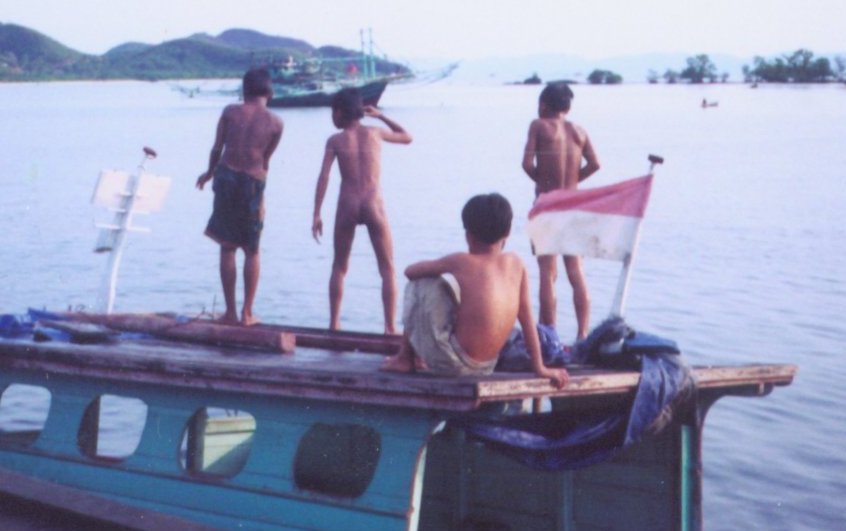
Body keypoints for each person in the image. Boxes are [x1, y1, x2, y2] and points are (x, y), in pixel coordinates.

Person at [381, 193, 568, 388]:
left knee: (422, 283)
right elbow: (527, 319)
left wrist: (444, 270)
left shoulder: (461, 262)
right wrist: (540, 368)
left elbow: (410, 272)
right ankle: (417, 355)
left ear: (468, 234)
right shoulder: (516, 264)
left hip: (453, 366)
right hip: (487, 366)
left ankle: (404, 357)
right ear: (508, 232)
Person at [312, 88, 412, 334]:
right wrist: (380, 116)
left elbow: (323, 176)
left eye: (332, 112)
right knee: (387, 268)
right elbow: (407, 136)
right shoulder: (375, 133)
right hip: (372, 203)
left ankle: (334, 323)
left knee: (339, 266)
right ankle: (389, 327)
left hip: (347, 204)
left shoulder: (335, 141)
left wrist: (316, 213)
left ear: (339, 112)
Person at [196, 68, 283, 326]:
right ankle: (247, 313)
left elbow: (217, 148)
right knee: (252, 250)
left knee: (227, 245)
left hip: (227, 176)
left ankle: (231, 312)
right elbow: (265, 161)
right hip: (252, 182)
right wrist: (261, 198)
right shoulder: (277, 123)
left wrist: (209, 173)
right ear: (270, 92)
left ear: (243, 91)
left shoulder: (230, 112)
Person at [522, 82, 600, 340]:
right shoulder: (580, 131)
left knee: (547, 272)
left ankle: (550, 333)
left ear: (543, 104)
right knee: (576, 271)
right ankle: (582, 334)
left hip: (548, 203)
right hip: (573, 203)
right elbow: (596, 164)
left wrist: (543, 182)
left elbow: (526, 163)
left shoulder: (538, 125)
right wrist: (573, 181)